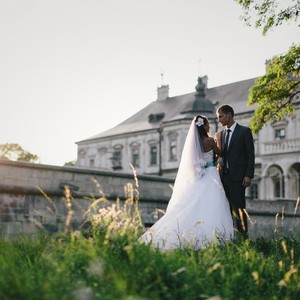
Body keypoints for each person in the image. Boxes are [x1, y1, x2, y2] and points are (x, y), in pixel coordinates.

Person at [139, 115, 233, 250]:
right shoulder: (210, 140)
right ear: (204, 126)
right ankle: (215, 237)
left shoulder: (195, 143)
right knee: (214, 202)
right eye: (207, 125)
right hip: (212, 172)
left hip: (200, 176)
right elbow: (220, 153)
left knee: (195, 203)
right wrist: (219, 141)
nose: (209, 126)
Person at [216, 104, 255, 239]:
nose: (219, 120)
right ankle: (229, 237)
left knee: (239, 210)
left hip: (238, 178)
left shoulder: (244, 131)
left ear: (229, 115)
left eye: (221, 117)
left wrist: (248, 175)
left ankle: (244, 238)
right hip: (222, 178)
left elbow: (250, 154)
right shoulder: (220, 134)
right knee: (225, 210)